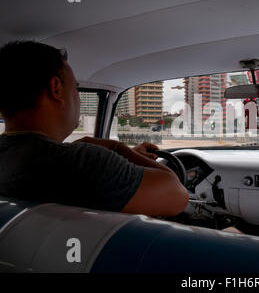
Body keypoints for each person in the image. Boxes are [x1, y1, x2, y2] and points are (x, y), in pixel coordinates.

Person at [0, 41, 188, 216]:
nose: (78, 98)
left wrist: (124, 157)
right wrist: (115, 148)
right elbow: (177, 195)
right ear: (56, 88)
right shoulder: (81, 162)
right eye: (75, 88)